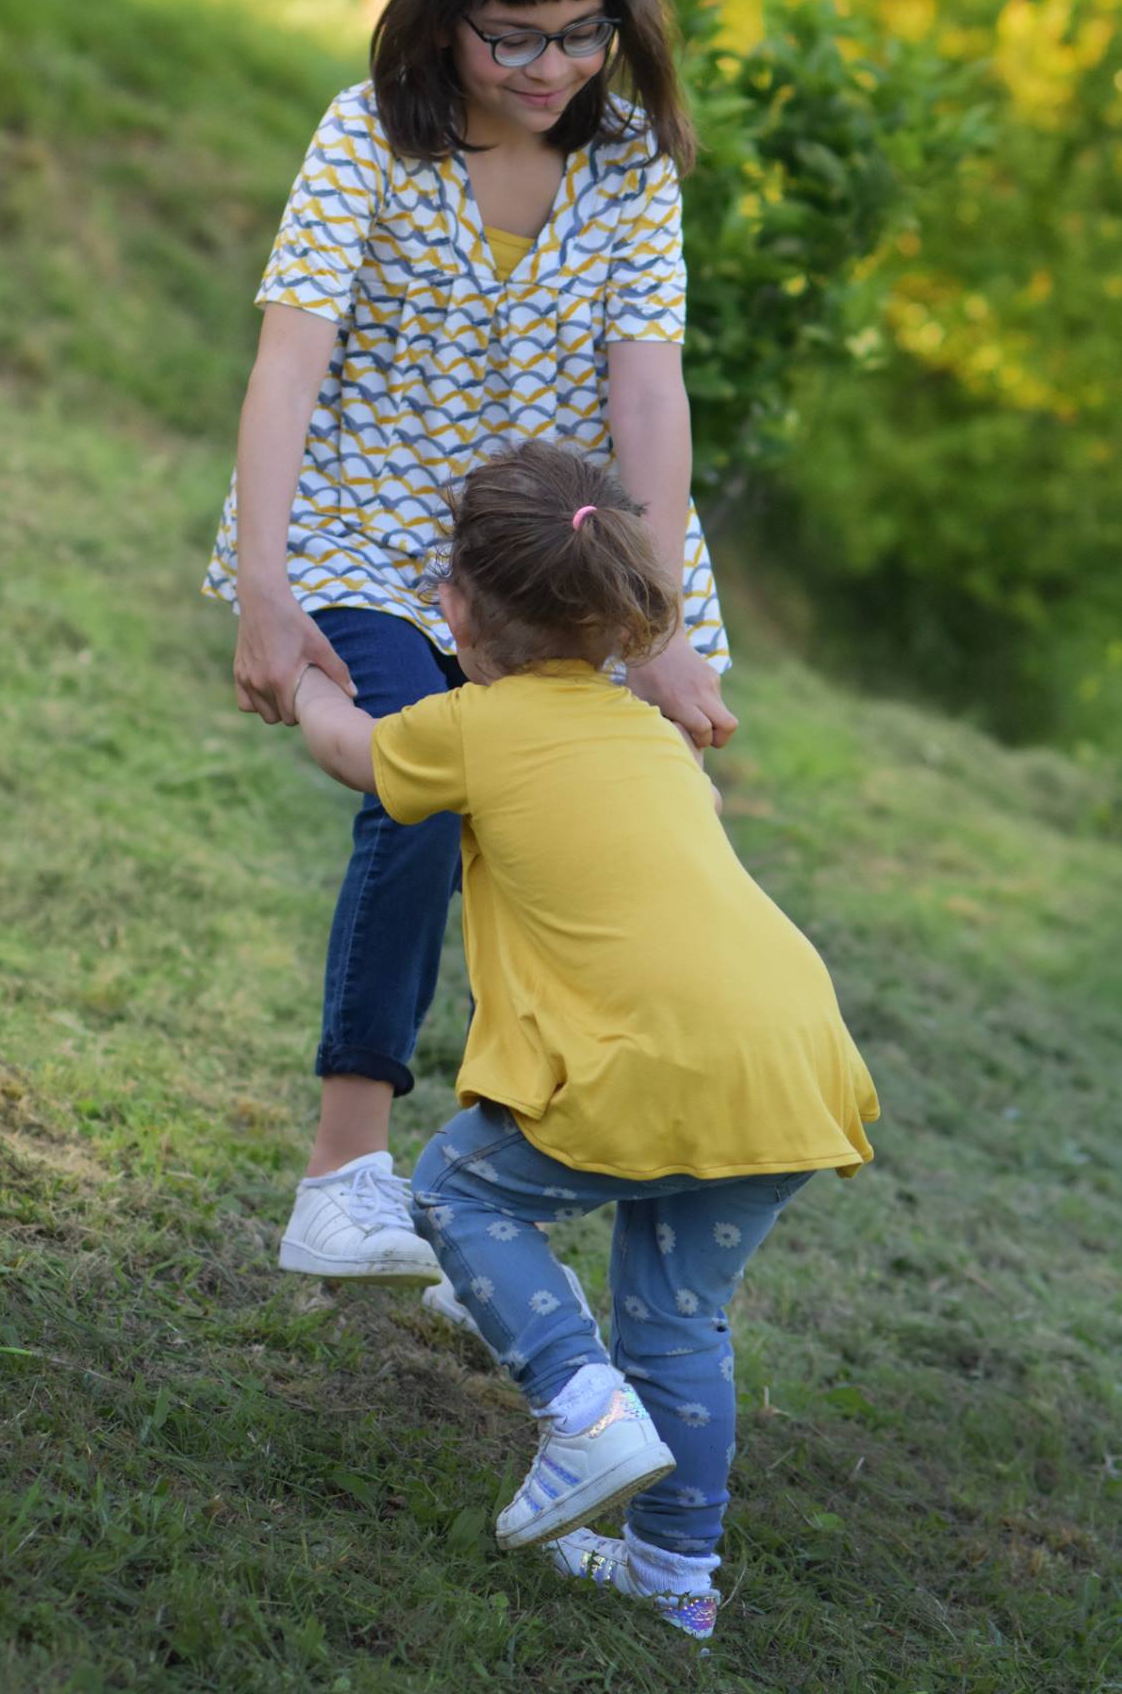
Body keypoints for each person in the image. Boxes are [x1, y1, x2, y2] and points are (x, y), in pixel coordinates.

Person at [205, 0, 737, 1283]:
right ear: (443, 7)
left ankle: (481, 1204)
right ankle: (342, 1174)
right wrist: (264, 584)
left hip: (552, 564)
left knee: (578, 853)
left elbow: (648, 394)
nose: (554, 65)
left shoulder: (627, 167)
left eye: (582, 33)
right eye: (516, 37)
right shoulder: (367, 135)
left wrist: (658, 622)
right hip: (362, 536)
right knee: (421, 786)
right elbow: (285, 368)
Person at [291, 441, 879, 1641]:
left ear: (452, 606)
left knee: (457, 1187)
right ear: (615, 617)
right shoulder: (654, 734)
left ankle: (580, 1403)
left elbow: (356, 751)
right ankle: (673, 1573)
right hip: (789, 1056)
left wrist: (300, 675)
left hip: (654, 1059)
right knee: (676, 1312)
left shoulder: (469, 724)